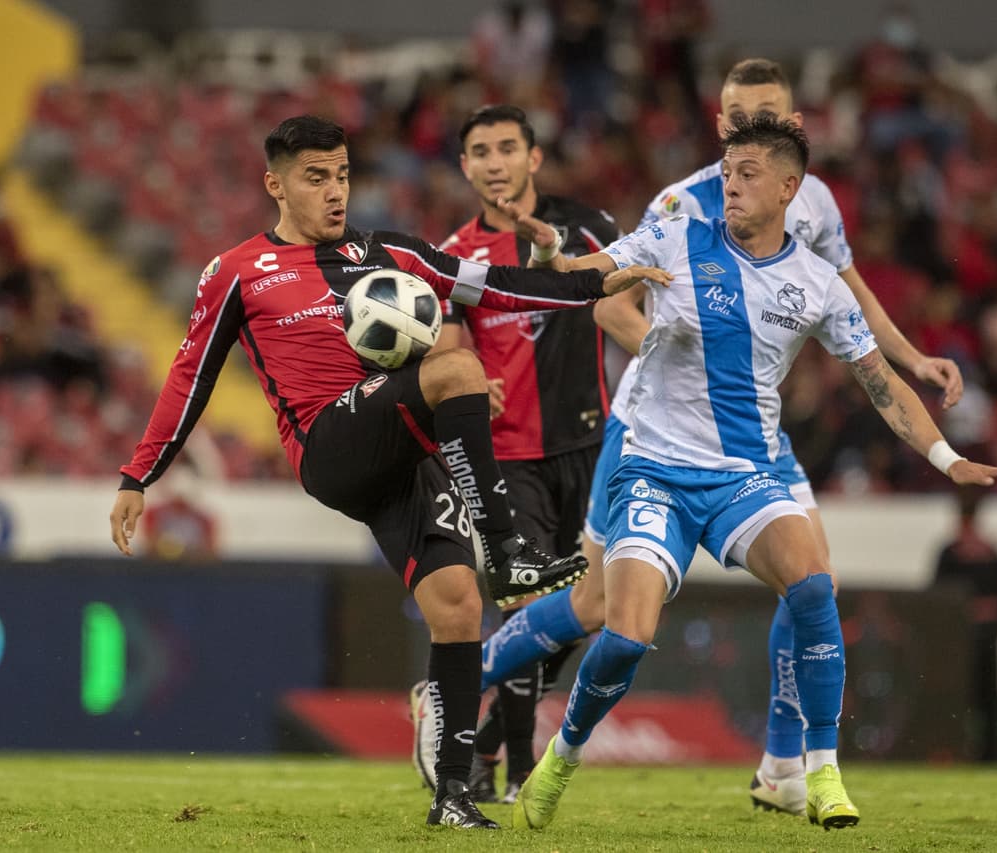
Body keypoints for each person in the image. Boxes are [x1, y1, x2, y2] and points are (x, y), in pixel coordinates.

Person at [106, 115, 667, 831]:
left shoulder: (391, 251)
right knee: (459, 367)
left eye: (342, 174)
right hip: (329, 447)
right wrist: (138, 475)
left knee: (458, 605)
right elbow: (190, 376)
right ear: (274, 183)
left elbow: (498, 287)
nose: (335, 191)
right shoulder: (238, 272)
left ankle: (455, 797)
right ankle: (509, 549)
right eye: (316, 177)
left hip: (398, 449)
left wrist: (594, 284)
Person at [465, 56, 969, 819]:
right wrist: (674, 349)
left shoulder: (815, 208)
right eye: (731, 119)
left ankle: (791, 764)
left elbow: (847, 297)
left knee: (812, 579)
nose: (740, 132)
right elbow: (597, 293)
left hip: (746, 453)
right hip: (649, 436)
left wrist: (914, 363)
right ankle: (476, 679)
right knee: (603, 611)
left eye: (758, 116)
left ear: (791, 127)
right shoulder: (681, 211)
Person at [417, 104, 622, 805]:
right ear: (466, 167)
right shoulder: (453, 255)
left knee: (590, 610)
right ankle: (516, 773)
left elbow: (621, 299)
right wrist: (471, 376)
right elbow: (444, 343)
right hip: (505, 460)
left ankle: (483, 737)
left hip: (591, 445)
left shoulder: (588, 225)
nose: (496, 161)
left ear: (535, 158)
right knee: (527, 600)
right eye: (481, 151)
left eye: (508, 147)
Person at [932, 486, 997, 762]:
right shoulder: (978, 552)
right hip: (970, 639)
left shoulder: (958, 553)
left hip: (978, 639)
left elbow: (938, 596)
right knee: (974, 697)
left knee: (983, 698)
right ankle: (975, 752)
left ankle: (984, 752)